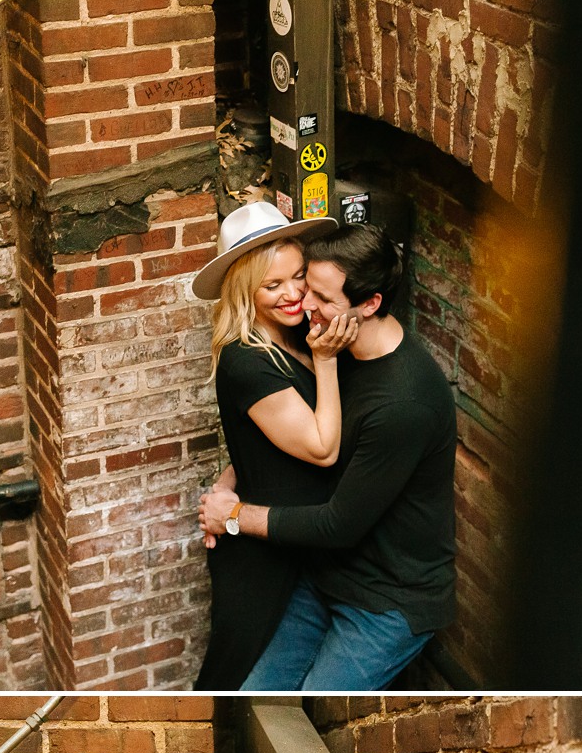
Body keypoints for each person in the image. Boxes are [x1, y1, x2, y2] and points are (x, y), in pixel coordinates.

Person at [198, 225, 457, 692]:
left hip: (386, 599)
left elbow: (338, 522)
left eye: (316, 291)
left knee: (310, 709)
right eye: (291, 284)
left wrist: (232, 515)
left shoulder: (403, 404)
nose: (303, 302)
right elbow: (278, 429)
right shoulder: (338, 346)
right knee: (256, 697)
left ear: (370, 304)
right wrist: (232, 477)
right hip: (327, 576)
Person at [189, 201, 362, 689]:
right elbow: (323, 448)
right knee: (235, 676)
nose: (292, 294)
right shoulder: (248, 360)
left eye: (299, 276)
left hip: (297, 537)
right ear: (247, 290)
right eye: (273, 285)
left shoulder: (293, 336)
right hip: (261, 559)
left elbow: (254, 441)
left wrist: (225, 485)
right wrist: (327, 360)